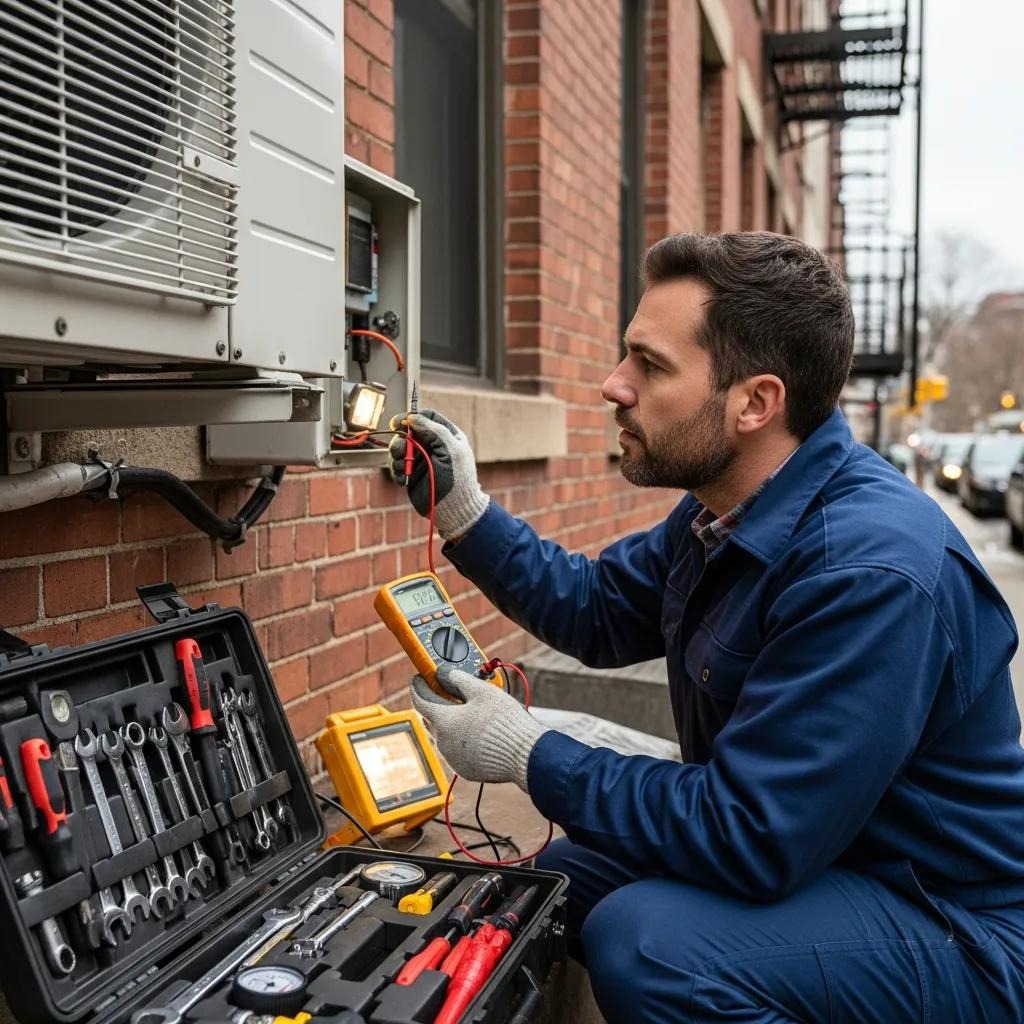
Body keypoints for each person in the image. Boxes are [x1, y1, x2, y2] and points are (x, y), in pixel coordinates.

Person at [389, 233, 1024, 1023]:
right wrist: (465, 513)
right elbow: (595, 609)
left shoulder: (867, 572)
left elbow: (752, 835)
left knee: (649, 944)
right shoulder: (727, 512)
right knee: (562, 877)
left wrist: (529, 753)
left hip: (949, 922)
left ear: (755, 402)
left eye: (650, 366)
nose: (612, 385)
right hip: (830, 859)